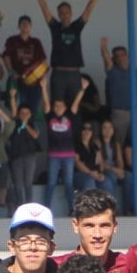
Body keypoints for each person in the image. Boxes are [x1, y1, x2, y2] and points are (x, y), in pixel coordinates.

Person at [52, 188, 134, 273]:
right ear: (75, 226)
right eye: (89, 226)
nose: (97, 234)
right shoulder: (56, 268)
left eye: (104, 226)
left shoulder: (129, 266)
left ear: (115, 227)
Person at [33, 0, 103, 106]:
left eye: (67, 12)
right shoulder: (55, 27)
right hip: (58, 74)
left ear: (71, 14)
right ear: (58, 15)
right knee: (57, 106)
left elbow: (89, 8)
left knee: (74, 106)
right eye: (62, 13)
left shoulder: (77, 27)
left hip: (74, 74)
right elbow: (44, 7)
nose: (64, 15)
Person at [42, 76, 88, 211]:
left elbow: (76, 103)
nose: (58, 108)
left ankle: (72, 210)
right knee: (51, 182)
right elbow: (45, 103)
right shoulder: (50, 116)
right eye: (56, 106)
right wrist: (43, 87)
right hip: (54, 155)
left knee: (69, 183)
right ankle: (46, 209)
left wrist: (82, 89)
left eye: (61, 106)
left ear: (65, 107)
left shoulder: (70, 116)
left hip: (68, 155)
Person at [99, 37, 137, 146]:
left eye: (122, 55)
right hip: (119, 112)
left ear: (127, 56)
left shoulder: (136, 71)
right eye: (117, 56)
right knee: (119, 142)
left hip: (135, 112)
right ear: (114, 58)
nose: (120, 58)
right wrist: (103, 47)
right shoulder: (112, 71)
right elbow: (106, 60)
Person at [2, 14, 48, 117]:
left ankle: (32, 128)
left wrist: (42, 76)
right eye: (22, 24)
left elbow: (42, 60)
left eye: (27, 24)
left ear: (31, 26)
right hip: (18, 80)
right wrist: (11, 71)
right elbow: (6, 57)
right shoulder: (12, 40)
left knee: (34, 110)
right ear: (18, 26)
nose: (25, 26)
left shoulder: (36, 42)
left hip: (34, 82)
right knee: (18, 110)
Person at [6, 103, 42, 209]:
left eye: (27, 113)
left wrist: (25, 124)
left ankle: (29, 206)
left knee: (28, 183)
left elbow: (35, 135)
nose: (24, 115)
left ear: (30, 114)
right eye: (22, 113)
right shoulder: (14, 124)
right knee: (17, 183)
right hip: (16, 157)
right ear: (18, 114)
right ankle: (19, 206)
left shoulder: (33, 124)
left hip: (29, 156)